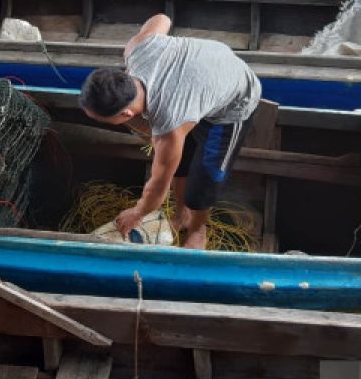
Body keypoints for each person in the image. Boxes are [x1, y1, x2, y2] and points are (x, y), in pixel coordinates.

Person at [77, 13, 262, 250]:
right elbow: (162, 19)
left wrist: (138, 212)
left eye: (104, 119)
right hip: (206, 74)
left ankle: (197, 229)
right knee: (181, 163)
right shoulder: (137, 48)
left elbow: (157, 187)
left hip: (233, 101)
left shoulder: (170, 125)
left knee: (204, 180)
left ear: (125, 115)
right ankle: (181, 214)